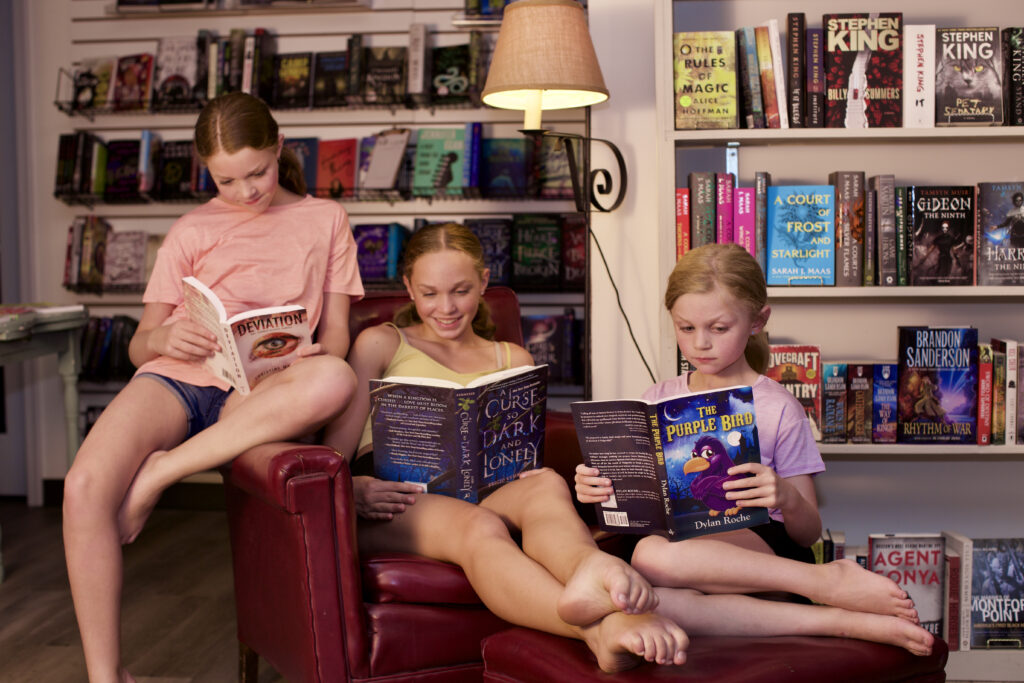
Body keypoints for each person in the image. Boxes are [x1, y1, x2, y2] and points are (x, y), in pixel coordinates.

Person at [63, 92, 364, 683]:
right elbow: (140, 343)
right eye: (228, 181)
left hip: (261, 390)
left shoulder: (325, 219)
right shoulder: (190, 228)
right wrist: (163, 341)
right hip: (181, 378)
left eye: (258, 172)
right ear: (207, 170)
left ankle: (162, 471)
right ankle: (106, 677)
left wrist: (296, 355)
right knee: (83, 486)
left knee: (336, 376)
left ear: (280, 148)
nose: (247, 191)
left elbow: (337, 338)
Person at [324, 222, 688, 673]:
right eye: (430, 292)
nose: (446, 307)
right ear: (408, 288)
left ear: (482, 281)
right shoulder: (380, 343)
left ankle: (591, 572)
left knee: (547, 485)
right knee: (477, 526)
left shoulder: (511, 357)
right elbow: (333, 454)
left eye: (460, 290)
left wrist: (527, 468)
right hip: (394, 501)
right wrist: (355, 488)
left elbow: (525, 446)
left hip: (483, 488)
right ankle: (596, 630)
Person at [575, 243, 935, 656]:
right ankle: (839, 619)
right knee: (650, 604)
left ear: (757, 321)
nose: (700, 344)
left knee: (652, 558)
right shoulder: (656, 399)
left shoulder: (778, 406)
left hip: (763, 551)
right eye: (685, 328)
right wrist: (601, 488)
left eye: (719, 328)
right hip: (691, 570)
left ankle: (821, 582)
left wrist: (784, 495)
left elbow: (808, 531)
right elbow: (636, 502)